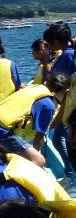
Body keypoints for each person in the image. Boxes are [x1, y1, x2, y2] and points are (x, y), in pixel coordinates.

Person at [0, 72, 70, 167]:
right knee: (39, 160)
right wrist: (35, 158)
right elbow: (39, 137)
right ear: (64, 91)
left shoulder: (33, 88)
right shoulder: (47, 104)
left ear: (46, 83)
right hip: (2, 134)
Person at [44, 21, 76, 177]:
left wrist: (46, 60)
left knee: (59, 139)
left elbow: (52, 79)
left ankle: (70, 172)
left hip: (69, 107)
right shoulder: (71, 52)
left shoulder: (67, 55)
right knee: (60, 138)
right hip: (69, 105)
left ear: (56, 41)